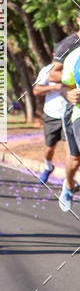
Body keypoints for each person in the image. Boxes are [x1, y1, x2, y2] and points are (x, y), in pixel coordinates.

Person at [49, 11, 80, 201]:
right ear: (78, 20)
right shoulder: (68, 46)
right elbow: (52, 75)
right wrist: (71, 89)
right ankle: (68, 183)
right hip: (73, 105)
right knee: (75, 159)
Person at [32, 56, 67, 184]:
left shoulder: (73, 68)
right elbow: (36, 90)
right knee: (49, 148)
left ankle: (69, 180)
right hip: (52, 115)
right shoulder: (47, 70)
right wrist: (53, 87)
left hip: (68, 115)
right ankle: (48, 166)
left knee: (71, 151)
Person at [59, 43, 80, 212]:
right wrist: (70, 93)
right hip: (78, 114)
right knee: (74, 159)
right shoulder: (74, 56)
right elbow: (66, 86)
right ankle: (69, 183)